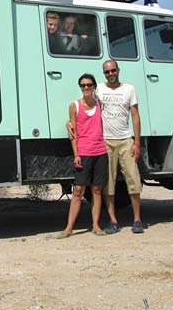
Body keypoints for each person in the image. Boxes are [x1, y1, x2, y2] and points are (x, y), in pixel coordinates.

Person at [67, 59, 144, 234]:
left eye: (113, 70)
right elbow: (84, 108)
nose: (111, 74)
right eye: (107, 72)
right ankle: (113, 221)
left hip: (125, 140)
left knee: (133, 180)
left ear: (118, 70)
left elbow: (135, 116)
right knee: (108, 185)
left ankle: (137, 219)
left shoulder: (129, 89)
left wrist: (137, 142)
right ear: (104, 74)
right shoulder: (99, 89)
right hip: (106, 142)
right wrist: (69, 123)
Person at [57, 74, 108, 238]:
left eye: (89, 85)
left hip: (101, 151)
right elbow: (73, 133)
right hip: (84, 153)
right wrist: (76, 154)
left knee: (97, 190)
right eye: (83, 85)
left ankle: (96, 225)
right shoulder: (75, 106)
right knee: (78, 190)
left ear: (94, 87)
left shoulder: (100, 104)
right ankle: (69, 228)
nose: (86, 88)